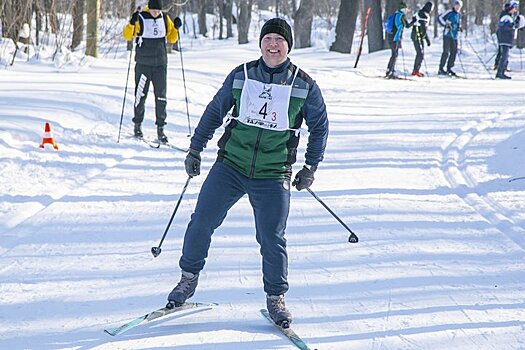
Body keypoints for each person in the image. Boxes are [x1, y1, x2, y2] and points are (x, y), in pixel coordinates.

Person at [165, 18, 329, 328]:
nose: (273, 45)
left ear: (288, 46)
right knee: (201, 221)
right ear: (260, 44)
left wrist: (310, 167)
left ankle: (276, 298)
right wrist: (195, 148)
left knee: (271, 237)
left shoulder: (303, 84)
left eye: (279, 40)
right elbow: (215, 111)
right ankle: (187, 279)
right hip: (231, 165)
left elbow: (319, 127)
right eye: (268, 38)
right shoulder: (241, 75)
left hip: (273, 171)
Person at [122, 0, 182, 143]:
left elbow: (172, 38)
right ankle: (137, 125)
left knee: (161, 97)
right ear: (149, 9)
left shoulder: (164, 18)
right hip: (143, 64)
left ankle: (160, 129)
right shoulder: (141, 17)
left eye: (158, 11)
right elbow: (127, 36)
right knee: (140, 95)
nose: (156, 13)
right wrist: (131, 24)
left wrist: (176, 28)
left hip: (160, 64)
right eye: (154, 11)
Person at [385, 2, 415, 78]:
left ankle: (390, 70)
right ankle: (390, 71)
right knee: (394, 54)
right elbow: (407, 25)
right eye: (405, 9)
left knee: (394, 54)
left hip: (391, 36)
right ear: (403, 9)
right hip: (395, 37)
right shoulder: (401, 16)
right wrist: (414, 21)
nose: (406, 10)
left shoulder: (396, 14)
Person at [496, 1, 520, 79]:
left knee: (505, 56)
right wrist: (512, 25)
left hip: (507, 39)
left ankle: (502, 72)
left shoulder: (509, 17)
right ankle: (500, 73)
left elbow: (512, 27)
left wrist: (516, 24)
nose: (515, 10)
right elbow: (504, 27)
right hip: (504, 39)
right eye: (514, 8)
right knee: (504, 56)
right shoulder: (505, 17)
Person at [438, 0, 462, 76]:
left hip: (454, 36)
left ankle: (449, 68)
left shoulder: (458, 14)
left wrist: (459, 27)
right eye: (456, 5)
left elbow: (458, 23)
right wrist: (446, 25)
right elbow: (439, 18)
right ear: (454, 5)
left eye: (459, 6)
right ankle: (441, 68)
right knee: (446, 52)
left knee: (453, 52)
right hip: (447, 35)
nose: (457, 7)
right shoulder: (449, 12)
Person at [411, 1, 434, 77]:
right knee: (420, 54)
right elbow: (423, 28)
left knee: (421, 53)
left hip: (418, 36)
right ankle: (415, 71)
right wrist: (426, 38)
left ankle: (416, 70)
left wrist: (426, 38)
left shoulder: (421, 12)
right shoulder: (423, 14)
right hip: (417, 36)